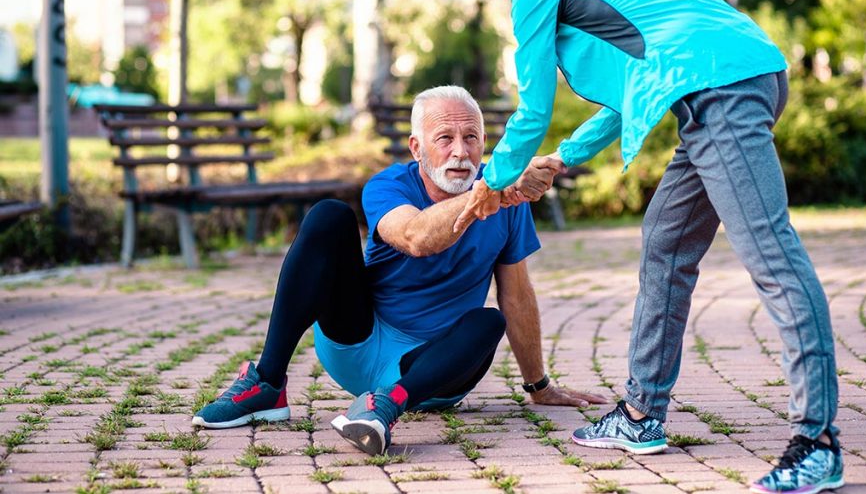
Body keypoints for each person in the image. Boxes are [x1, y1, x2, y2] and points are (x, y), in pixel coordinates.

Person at [457, 0, 843, 494]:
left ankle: (817, 443)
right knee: (665, 239)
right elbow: (629, 91)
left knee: (773, 258)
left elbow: (532, 110)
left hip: (719, 90)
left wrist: (490, 186)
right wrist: (563, 160)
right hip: (731, 83)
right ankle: (640, 415)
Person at [192, 85, 605, 455]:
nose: (461, 152)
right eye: (445, 138)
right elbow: (415, 237)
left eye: (471, 138)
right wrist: (493, 191)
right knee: (328, 217)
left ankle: (385, 407)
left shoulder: (507, 203)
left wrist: (538, 385)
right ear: (416, 148)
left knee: (488, 321)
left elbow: (516, 294)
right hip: (360, 341)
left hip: (435, 371)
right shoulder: (390, 186)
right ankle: (266, 383)